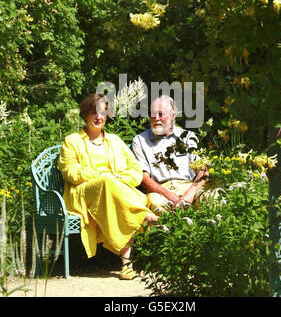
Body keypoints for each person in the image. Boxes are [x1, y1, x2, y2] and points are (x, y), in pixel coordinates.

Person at [58, 93, 158, 280]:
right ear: (85, 115)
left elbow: (135, 169)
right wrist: (103, 177)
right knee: (107, 183)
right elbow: (70, 172)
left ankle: (127, 265)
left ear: (107, 116)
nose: (98, 117)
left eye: (102, 113)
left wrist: (119, 179)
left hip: (115, 193)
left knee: (115, 197)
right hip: (83, 193)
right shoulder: (72, 141)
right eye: (93, 113)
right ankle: (142, 213)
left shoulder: (115, 141)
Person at [132, 95, 209, 213]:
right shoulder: (140, 141)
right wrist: (171, 196)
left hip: (188, 186)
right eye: (153, 114)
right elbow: (143, 178)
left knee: (211, 198)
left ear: (172, 116)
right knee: (155, 203)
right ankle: (167, 231)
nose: (156, 118)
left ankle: (209, 230)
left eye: (161, 114)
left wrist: (190, 193)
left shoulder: (188, 137)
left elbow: (203, 170)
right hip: (160, 190)